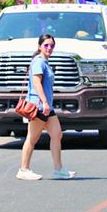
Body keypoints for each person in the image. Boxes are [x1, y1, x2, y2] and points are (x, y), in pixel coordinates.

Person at [16, 34, 76, 180]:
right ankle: (23, 169)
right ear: (39, 46)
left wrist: (47, 104)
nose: (49, 48)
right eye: (46, 45)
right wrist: (44, 102)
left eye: (52, 45)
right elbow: (36, 83)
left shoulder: (45, 62)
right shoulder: (39, 62)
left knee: (57, 134)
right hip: (39, 106)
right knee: (32, 137)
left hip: (46, 106)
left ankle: (59, 169)